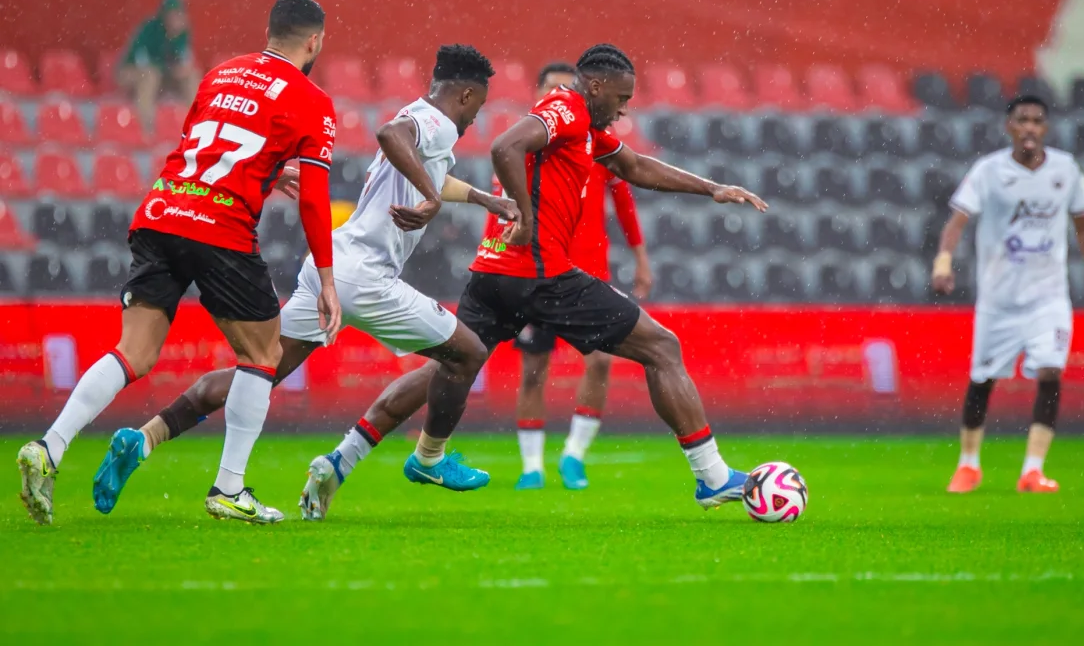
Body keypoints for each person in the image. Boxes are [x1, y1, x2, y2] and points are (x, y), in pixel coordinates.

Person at [90, 45, 517, 521]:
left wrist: (485, 200)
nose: (476, 118)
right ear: (465, 94)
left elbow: (427, 167)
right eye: (478, 106)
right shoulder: (434, 123)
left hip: (332, 263)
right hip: (366, 278)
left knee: (258, 373)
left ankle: (145, 437)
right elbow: (390, 135)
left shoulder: (422, 118)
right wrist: (431, 198)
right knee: (468, 353)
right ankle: (429, 459)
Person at [17, 0, 341, 525]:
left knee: (133, 352)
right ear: (314, 41)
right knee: (263, 353)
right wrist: (326, 280)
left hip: (162, 210)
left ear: (269, 32)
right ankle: (229, 489)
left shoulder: (220, 73)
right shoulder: (313, 99)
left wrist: (263, 171)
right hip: (220, 225)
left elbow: (202, 147)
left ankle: (49, 447)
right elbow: (313, 199)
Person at [402, 44, 768, 509]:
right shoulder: (568, 109)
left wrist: (711, 188)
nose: (624, 108)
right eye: (621, 98)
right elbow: (503, 146)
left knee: (453, 363)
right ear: (595, 86)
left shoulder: (588, 127)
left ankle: (374, 456)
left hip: (494, 272)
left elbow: (634, 166)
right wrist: (525, 217)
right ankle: (712, 477)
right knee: (661, 347)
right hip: (542, 274)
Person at [933, 94, 1084, 495]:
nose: (1029, 127)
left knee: (1050, 372)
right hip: (998, 301)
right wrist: (943, 261)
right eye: (1022, 120)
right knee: (982, 379)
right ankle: (968, 465)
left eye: (1036, 120)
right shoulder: (989, 171)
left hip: (1048, 299)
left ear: (1045, 128)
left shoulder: (1066, 170)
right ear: (1009, 127)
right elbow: (958, 220)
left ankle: (1033, 470)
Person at [511, 61, 652, 492]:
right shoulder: (527, 144)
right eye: (550, 90)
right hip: (539, 268)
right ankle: (532, 467)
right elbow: (504, 206)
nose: (559, 98)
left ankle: (574, 455)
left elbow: (624, 201)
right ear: (537, 94)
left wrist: (640, 258)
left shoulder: (594, 140)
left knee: (601, 361)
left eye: (565, 89)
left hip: (589, 270)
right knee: (534, 368)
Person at [119, 0, 200, 133]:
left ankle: (195, 126)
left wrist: (182, 68)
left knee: (192, 75)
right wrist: (172, 69)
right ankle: (146, 129)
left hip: (164, 75)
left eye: (178, 14)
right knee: (150, 76)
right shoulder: (150, 29)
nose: (175, 18)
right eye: (171, 14)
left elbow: (185, 60)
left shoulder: (183, 32)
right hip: (131, 72)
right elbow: (142, 62)